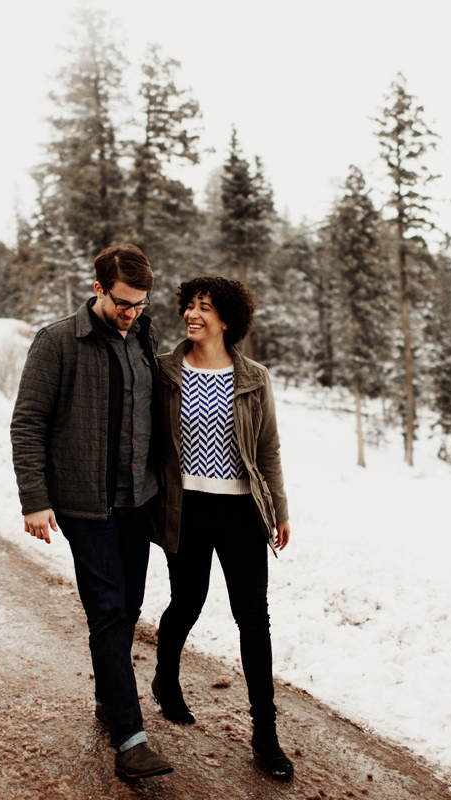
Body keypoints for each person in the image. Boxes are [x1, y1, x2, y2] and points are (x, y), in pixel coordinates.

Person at [10, 244, 173, 779]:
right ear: (99, 288)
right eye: (124, 302)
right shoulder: (57, 341)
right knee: (107, 609)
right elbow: (28, 423)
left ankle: (110, 697)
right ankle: (131, 738)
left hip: (138, 499)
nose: (133, 313)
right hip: (86, 504)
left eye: (142, 303)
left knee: (128, 608)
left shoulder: (143, 336)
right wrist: (35, 499)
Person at [151, 275, 295, 780]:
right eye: (189, 305)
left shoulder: (253, 377)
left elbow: (268, 449)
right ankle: (165, 677)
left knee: (253, 618)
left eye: (204, 307)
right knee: (187, 601)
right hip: (184, 509)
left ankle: (265, 732)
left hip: (241, 513)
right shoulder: (165, 370)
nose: (193, 314)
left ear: (227, 318)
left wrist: (278, 508)